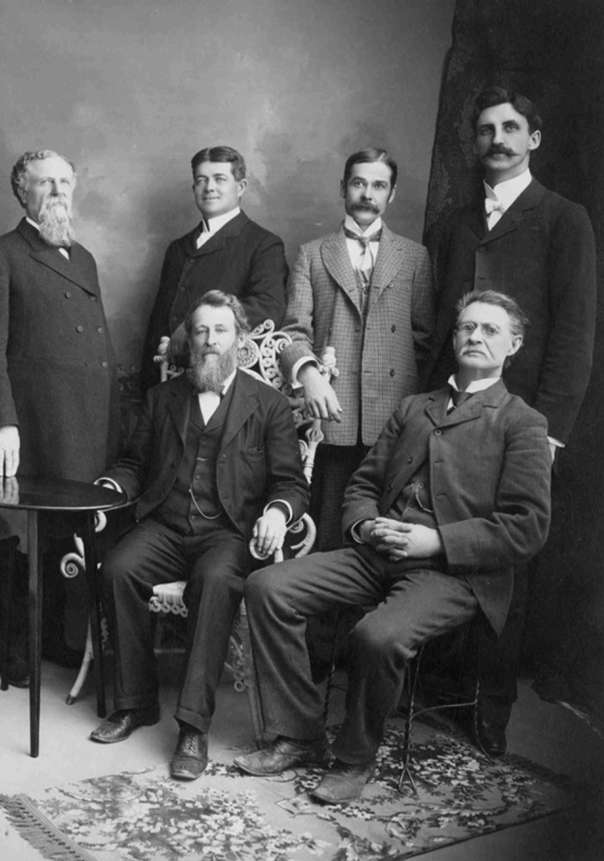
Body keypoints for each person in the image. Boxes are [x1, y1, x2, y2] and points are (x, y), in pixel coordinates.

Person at [235, 290, 551, 804]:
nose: (475, 336)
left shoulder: (521, 422)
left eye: (490, 330)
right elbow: (362, 485)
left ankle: (355, 758)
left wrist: (438, 540)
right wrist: (365, 527)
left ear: (513, 345)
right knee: (267, 586)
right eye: (466, 327)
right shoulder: (414, 408)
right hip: (377, 552)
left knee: (377, 636)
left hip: (454, 573)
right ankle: (298, 734)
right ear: (452, 338)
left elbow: (527, 526)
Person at [428, 86, 597, 754]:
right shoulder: (453, 225)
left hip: (523, 421)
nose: (496, 139)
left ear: (534, 138)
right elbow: (436, 327)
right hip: (449, 410)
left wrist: (550, 431)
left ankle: (488, 705)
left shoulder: (562, 219)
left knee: (507, 563)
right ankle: (437, 680)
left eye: (510, 128)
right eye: (485, 130)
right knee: (442, 535)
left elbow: (575, 336)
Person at [88, 290, 309, 782]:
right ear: (190, 339)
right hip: (166, 525)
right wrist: (110, 488)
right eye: (201, 331)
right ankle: (135, 703)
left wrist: (277, 511)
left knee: (214, 583)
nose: (209, 341)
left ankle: (192, 726)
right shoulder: (162, 398)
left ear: (240, 338)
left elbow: (292, 483)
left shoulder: (269, 405)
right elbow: (132, 464)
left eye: (220, 331)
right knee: (119, 570)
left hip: (228, 533)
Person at [0, 149, 120, 676]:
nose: (56, 191)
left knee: (61, 535)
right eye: (44, 182)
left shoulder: (85, 258)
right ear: (21, 192)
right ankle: (13, 648)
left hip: (82, 422)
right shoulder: (1, 255)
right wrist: (1, 421)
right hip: (31, 422)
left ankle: (52, 637)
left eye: (63, 182)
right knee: (20, 536)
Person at [280, 148, 434, 551]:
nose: (368, 193)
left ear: (392, 194)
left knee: (384, 530)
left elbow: (423, 340)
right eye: (359, 183)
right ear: (343, 187)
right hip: (333, 413)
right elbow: (292, 332)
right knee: (329, 529)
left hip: (393, 415)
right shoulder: (312, 254)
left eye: (378, 185)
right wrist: (310, 374)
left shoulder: (414, 257)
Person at [140, 146, 286, 390]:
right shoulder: (177, 248)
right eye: (201, 180)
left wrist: (193, 327)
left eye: (220, 179)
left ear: (240, 187)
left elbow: (268, 306)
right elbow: (158, 323)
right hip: (168, 383)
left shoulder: (263, 244)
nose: (209, 187)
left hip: (225, 381)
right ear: (194, 189)